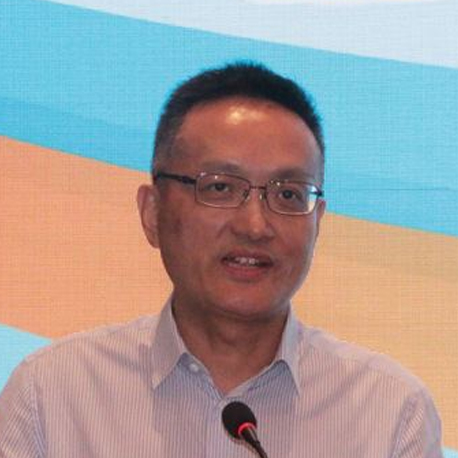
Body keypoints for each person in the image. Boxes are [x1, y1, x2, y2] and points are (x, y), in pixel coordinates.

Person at [0, 62, 443, 457]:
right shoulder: (52, 396)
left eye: (289, 195)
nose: (255, 225)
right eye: (220, 188)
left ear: (317, 223)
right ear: (152, 213)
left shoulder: (390, 415)